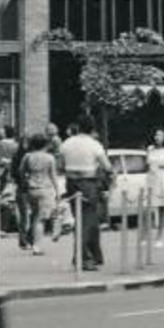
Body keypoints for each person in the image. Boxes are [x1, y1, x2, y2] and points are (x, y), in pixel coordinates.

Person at [57, 116, 113, 271]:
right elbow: (107, 166)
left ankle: (95, 255)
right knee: (87, 221)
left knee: (86, 220)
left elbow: (60, 165)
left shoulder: (66, 143)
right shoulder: (94, 145)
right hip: (89, 182)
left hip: (72, 183)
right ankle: (83, 257)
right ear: (92, 128)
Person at [16, 134, 61, 255]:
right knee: (41, 219)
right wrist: (57, 191)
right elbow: (53, 175)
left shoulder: (27, 156)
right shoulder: (49, 158)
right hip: (45, 189)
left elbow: (21, 171)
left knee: (35, 215)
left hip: (31, 189)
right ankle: (37, 246)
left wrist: (27, 179)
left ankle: (31, 239)